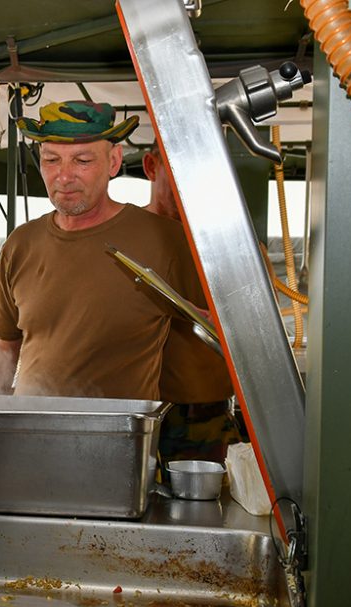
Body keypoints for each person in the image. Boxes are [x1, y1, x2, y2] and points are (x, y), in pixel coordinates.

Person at [0, 101, 207, 401]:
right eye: (52, 159)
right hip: (32, 434)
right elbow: (2, 349)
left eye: (82, 160)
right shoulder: (21, 244)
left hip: (118, 441)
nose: (64, 176)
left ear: (114, 161)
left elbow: (220, 332)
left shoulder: (165, 241)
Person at [142, 145, 242, 474]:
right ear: (150, 166)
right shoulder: (126, 236)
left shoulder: (227, 240)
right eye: (177, 167)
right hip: (133, 411)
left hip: (205, 418)